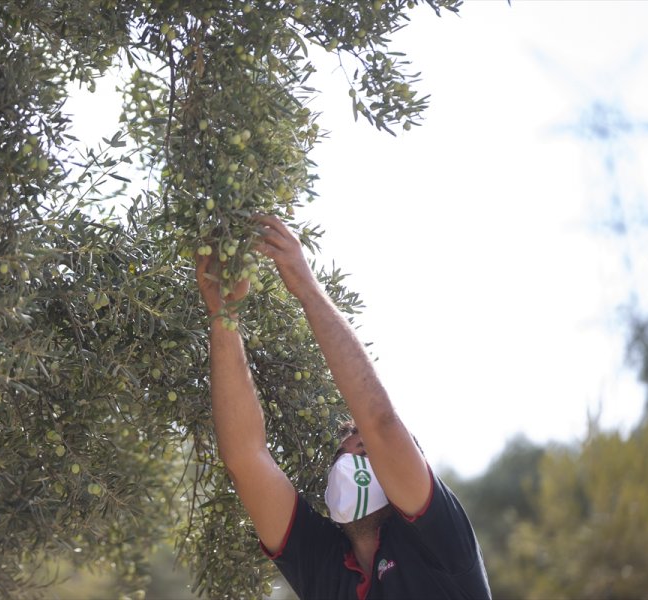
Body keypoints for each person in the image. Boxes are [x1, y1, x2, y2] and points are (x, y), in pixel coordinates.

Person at [196, 215, 492, 600]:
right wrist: (223, 316)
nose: (351, 454)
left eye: (364, 447)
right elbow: (246, 457)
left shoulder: (440, 543)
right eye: (345, 448)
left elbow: (381, 424)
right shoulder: (326, 562)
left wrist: (306, 288)